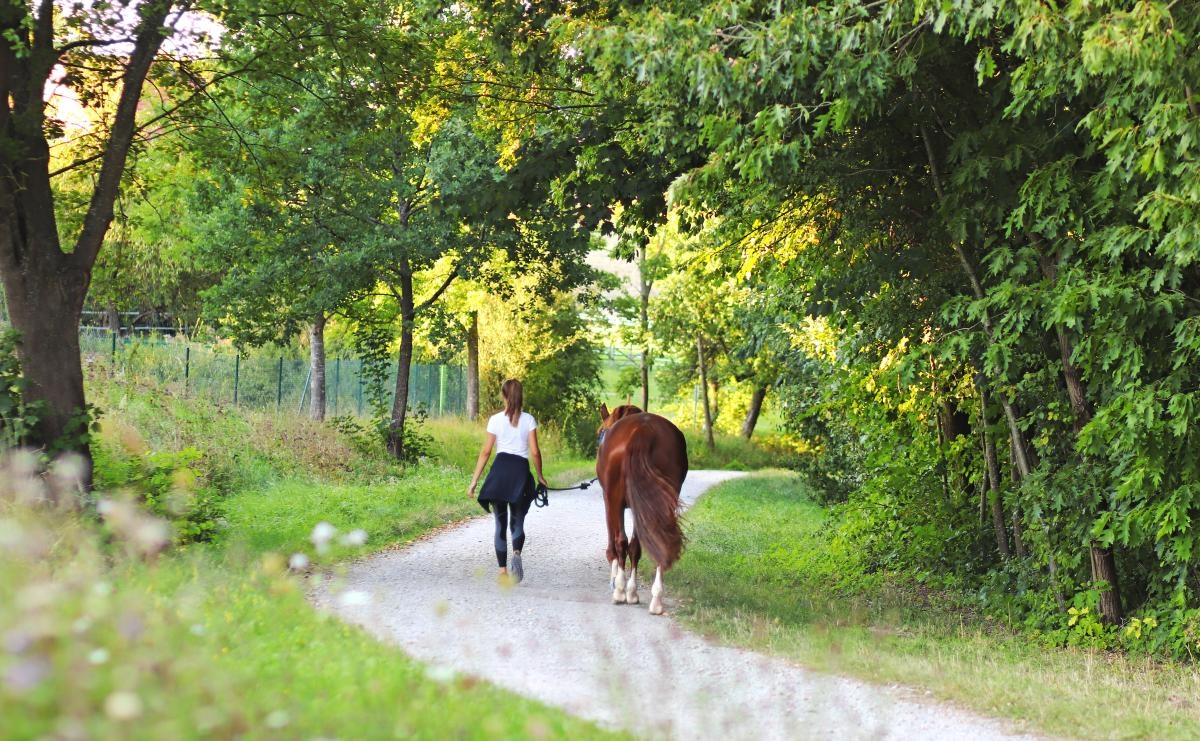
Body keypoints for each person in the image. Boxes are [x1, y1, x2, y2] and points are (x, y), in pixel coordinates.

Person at [468, 379, 548, 583]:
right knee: (518, 520)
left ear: (504, 396)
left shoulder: (495, 420)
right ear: (521, 396)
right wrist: (539, 475)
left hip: (500, 472)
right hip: (520, 472)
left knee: (500, 523)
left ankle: (502, 570)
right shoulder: (529, 420)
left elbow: (486, 452)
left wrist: (474, 481)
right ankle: (517, 553)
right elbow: (535, 452)